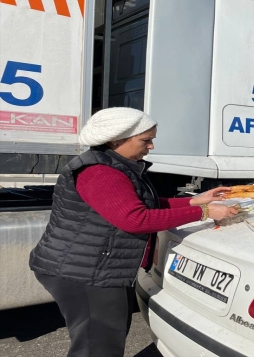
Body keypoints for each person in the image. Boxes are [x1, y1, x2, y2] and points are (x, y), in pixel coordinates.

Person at [29, 107, 239, 357]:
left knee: (102, 338)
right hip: (85, 273)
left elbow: (141, 204)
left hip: (89, 266)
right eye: (145, 140)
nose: (150, 146)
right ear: (117, 140)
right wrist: (204, 213)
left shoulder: (115, 164)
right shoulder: (100, 172)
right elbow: (135, 219)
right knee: (97, 346)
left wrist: (197, 201)